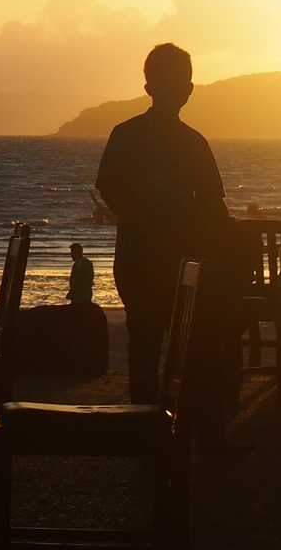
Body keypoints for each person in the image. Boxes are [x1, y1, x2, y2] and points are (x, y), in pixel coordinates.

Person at [96, 44, 258, 437]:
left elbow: (108, 187)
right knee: (197, 346)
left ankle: (144, 429)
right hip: (171, 264)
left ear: (148, 86)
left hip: (136, 261)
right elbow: (215, 212)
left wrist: (145, 223)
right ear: (188, 90)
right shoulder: (191, 142)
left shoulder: (128, 134)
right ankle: (204, 432)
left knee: (145, 346)